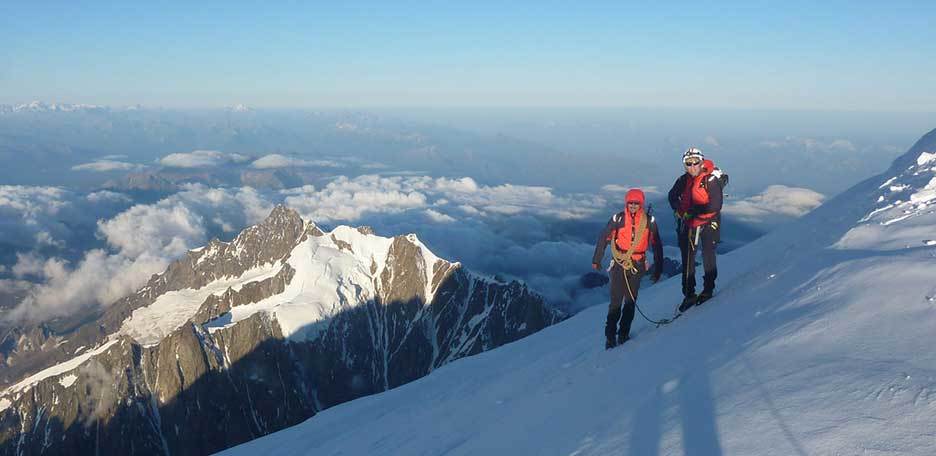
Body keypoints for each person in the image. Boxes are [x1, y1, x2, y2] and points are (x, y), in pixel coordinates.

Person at [592, 188, 663, 349]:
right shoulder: (619, 219)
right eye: (630, 203)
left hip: (637, 265)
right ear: (626, 203)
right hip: (619, 264)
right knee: (616, 302)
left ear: (641, 204)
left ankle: (623, 333)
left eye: (636, 203)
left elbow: (657, 245)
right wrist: (597, 259)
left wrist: (658, 268)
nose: (632, 205)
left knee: (631, 301)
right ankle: (610, 337)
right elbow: (604, 237)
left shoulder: (648, 222)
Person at [668, 147, 724, 312]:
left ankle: (708, 289)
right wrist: (681, 211)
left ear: (701, 162)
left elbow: (715, 205)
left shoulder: (710, 180)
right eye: (688, 163)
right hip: (689, 223)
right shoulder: (683, 180)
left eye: (695, 163)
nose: (692, 166)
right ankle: (689, 294)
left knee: (708, 255)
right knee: (688, 260)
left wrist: (693, 211)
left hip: (708, 222)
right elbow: (672, 196)